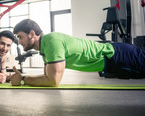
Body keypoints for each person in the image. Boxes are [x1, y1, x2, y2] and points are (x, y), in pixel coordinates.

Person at [10, 19, 145, 87]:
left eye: (20, 37)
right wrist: (22, 78)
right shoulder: (45, 47)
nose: (19, 41)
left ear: (32, 34)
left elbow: (53, 81)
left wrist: (22, 79)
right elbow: (47, 76)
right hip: (112, 59)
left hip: (118, 56)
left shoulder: (52, 41)